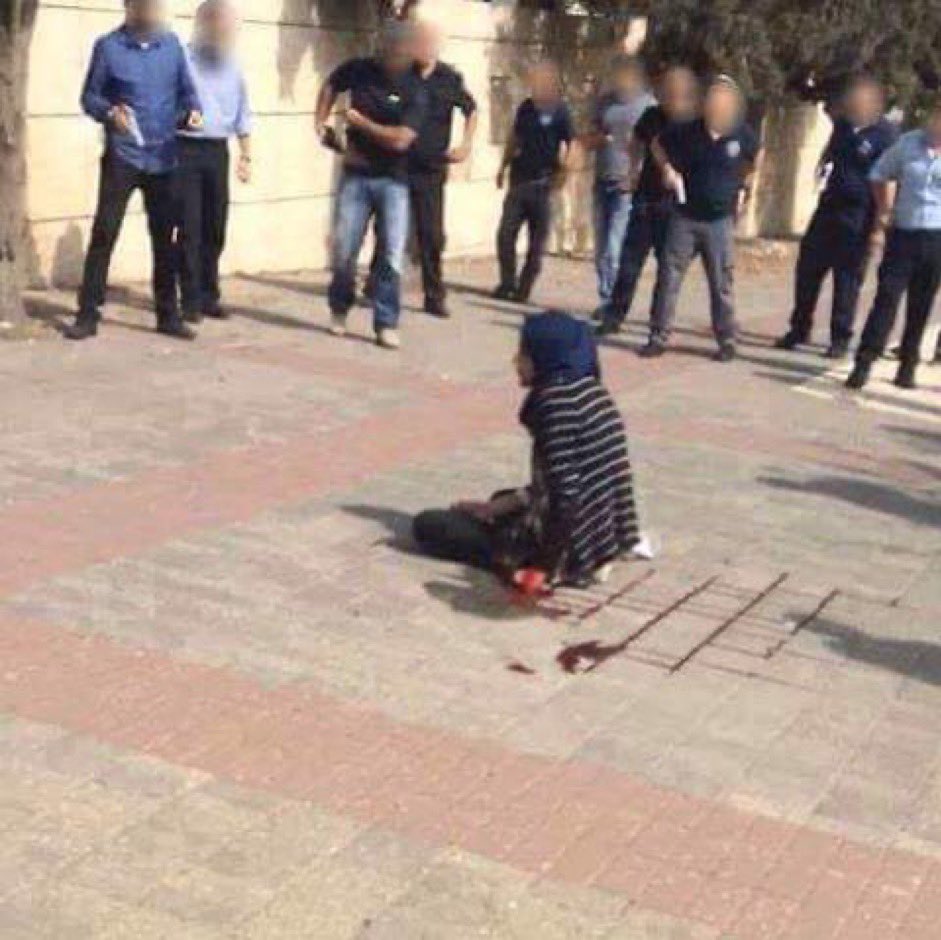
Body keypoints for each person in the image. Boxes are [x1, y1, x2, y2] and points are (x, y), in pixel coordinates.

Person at [413, 311, 640, 588]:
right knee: (501, 499)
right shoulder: (589, 390)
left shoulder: (556, 405)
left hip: (573, 545)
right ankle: (590, 556)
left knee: (429, 525)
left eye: (524, 355)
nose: (516, 362)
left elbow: (566, 496)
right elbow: (568, 478)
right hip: (606, 530)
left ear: (545, 356)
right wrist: (496, 507)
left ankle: (547, 561)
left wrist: (543, 568)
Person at [67, 0, 202, 341]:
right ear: (129, 7)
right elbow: (90, 97)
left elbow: (188, 94)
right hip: (123, 157)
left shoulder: (171, 46)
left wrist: (193, 112)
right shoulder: (108, 47)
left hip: (163, 158)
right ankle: (87, 314)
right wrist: (109, 112)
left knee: (164, 239)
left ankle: (168, 316)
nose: (152, 12)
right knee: (105, 233)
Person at [316, 21, 427, 350]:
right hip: (356, 174)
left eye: (394, 50)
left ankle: (386, 323)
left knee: (391, 255)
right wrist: (320, 121)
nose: (387, 55)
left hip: (395, 180)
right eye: (384, 49)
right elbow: (331, 84)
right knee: (344, 250)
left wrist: (362, 123)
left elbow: (401, 139)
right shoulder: (360, 70)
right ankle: (339, 308)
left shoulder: (415, 88)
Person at [776, 76, 896, 359]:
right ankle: (799, 327)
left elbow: (889, 182)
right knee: (808, 269)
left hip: (859, 215)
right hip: (829, 208)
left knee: (847, 280)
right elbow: (831, 155)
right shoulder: (842, 126)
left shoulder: (886, 135)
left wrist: (879, 226)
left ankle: (840, 337)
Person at [641, 76, 760, 361]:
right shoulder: (686, 130)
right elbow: (657, 144)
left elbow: (757, 154)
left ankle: (726, 340)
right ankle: (658, 336)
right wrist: (667, 170)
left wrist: (748, 186)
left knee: (722, 283)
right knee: (669, 278)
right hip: (684, 217)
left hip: (720, 221)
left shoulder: (741, 133)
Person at [367, 19, 478, 319]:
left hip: (431, 169)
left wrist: (466, 145)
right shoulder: (402, 75)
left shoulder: (449, 78)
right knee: (388, 229)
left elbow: (470, 110)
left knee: (431, 235)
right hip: (398, 166)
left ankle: (434, 295)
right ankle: (376, 284)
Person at [847, 98, 941, 391]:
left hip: (937, 238)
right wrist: (884, 210)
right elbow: (879, 173)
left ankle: (907, 365)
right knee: (886, 298)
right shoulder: (909, 143)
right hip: (904, 234)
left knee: (921, 305)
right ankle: (864, 361)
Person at [598, 66, 700, 336]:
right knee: (629, 263)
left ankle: (658, 326)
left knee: (667, 269)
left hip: (676, 206)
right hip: (646, 200)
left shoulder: (695, 122)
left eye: (676, 92)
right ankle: (614, 317)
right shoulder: (652, 116)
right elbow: (635, 142)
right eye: (667, 92)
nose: (670, 98)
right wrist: (632, 173)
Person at [176, 0, 253, 324]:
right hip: (185, 148)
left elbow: (242, 113)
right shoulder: (181, 60)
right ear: (203, 25)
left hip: (217, 150)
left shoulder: (232, 66)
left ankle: (209, 295)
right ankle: (189, 299)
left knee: (215, 225)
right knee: (190, 226)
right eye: (217, 24)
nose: (223, 31)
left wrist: (246, 155)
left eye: (227, 25)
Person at [494, 63, 574, 304]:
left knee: (536, 243)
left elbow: (571, 144)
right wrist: (502, 166)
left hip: (543, 182)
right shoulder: (526, 108)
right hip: (519, 181)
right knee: (505, 235)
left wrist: (564, 174)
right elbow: (515, 138)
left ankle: (524, 288)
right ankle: (507, 283)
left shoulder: (561, 112)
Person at [582, 55, 656, 312]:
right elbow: (590, 136)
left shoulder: (648, 105)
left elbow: (654, 147)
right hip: (602, 179)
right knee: (601, 248)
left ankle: (613, 305)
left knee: (614, 247)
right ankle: (606, 299)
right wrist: (596, 139)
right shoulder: (605, 103)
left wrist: (636, 177)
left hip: (626, 186)